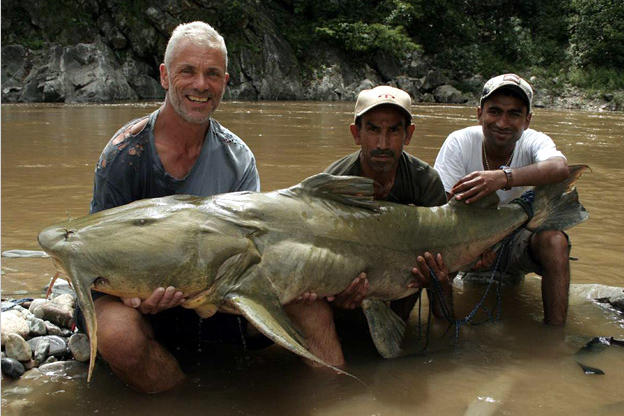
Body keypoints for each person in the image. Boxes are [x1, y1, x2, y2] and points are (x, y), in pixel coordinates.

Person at [84, 21, 337, 393]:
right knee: (117, 334)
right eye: (188, 71)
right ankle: (184, 400)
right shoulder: (124, 154)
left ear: (224, 82)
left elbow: (253, 252)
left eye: (212, 74)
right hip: (136, 299)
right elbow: (95, 257)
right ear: (165, 76)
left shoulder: (238, 159)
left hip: (216, 294)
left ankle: (343, 396)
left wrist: (301, 277)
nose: (201, 84)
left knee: (311, 309)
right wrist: (134, 296)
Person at [309, 86, 454, 355]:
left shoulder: (425, 181)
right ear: (356, 133)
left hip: (404, 281)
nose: (383, 144)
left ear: (408, 134)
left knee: (440, 289)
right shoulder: (334, 182)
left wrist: (439, 280)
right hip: (351, 283)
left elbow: (444, 250)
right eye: (373, 130)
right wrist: (335, 295)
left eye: (393, 131)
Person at [434, 73, 571, 325]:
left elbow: (560, 168)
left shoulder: (534, 141)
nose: (502, 122)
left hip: (514, 237)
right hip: (465, 235)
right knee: (435, 253)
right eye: (494, 111)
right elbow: (441, 208)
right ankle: (443, 332)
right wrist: (475, 246)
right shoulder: (459, 142)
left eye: (514, 114)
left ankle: (555, 336)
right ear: (479, 113)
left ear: (527, 120)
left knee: (555, 241)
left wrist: (503, 177)